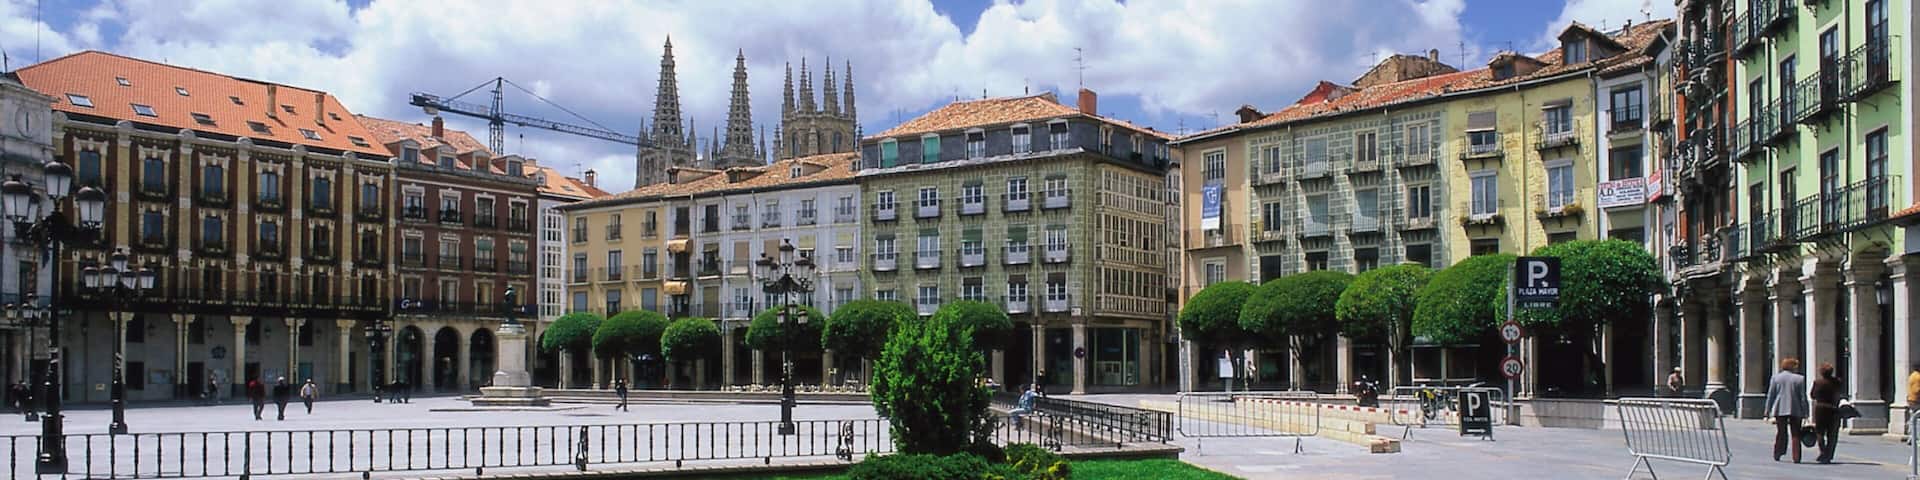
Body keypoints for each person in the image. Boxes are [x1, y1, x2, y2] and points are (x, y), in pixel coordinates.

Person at [1764, 357, 1809, 463]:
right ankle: (1796, 456)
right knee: (1796, 433)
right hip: (1796, 409)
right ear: (1792, 367)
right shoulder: (1800, 379)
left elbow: (1771, 395)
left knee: (1781, 432)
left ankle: (1778, 452)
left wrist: (1767, 409)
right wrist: (1806, 412)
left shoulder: (1776, 378)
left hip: (1780, 408)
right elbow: (1803, 397)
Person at [1810, 363, 1843, 463]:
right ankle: (1829, 454)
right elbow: (1839, 393)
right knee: (1832, 433)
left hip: (1820, 409)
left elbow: (1813, 395)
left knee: (1820, 432)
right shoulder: (1837, 382)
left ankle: (1823, 451)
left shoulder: (1818, 382)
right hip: (1833, 409)